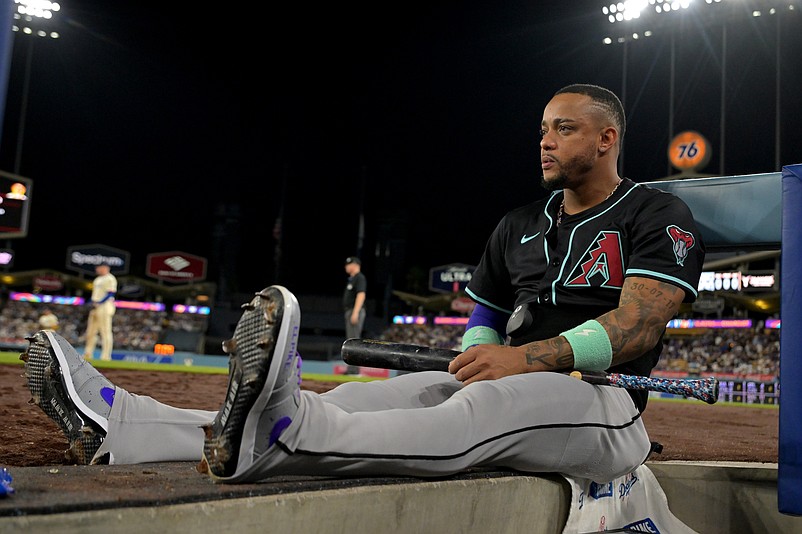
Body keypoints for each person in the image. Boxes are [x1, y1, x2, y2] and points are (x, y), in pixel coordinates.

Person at [21, 84, 704, 485]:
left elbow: (638, 326)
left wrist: (520, 360)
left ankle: (288, 436)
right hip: (511, 374)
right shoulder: (519, 222)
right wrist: (479, 354)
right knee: (362, 401)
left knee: (466, 419)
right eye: (542, 130)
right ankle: (126, 424)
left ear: (608, 138)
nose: (545, 142)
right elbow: (487, 311)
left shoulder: (657, 212)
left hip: (605, 403)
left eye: (564, 129)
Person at [82, 263, 118, 361]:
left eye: (98, 268)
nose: (97, 269)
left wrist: (100, 302)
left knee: (105, 331)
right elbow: (95, 294)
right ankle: (88, 354)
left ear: (105, 268)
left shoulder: (110, 278)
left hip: (105, 306)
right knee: (90, 332)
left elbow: (111, 293)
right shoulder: (97, 279)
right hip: (95, 306)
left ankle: (106, 356)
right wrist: (91, 302)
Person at [343, 256, 367, 374]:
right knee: (350, 340)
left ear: (355, 265)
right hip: (350, 310)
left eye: (349, 264)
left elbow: (361, 295)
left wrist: (355, 312)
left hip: (354, 310)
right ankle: (351, 369)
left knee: (354, 341)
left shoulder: (359, 278)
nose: (346, 266)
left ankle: (354, 370)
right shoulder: (352, 279)